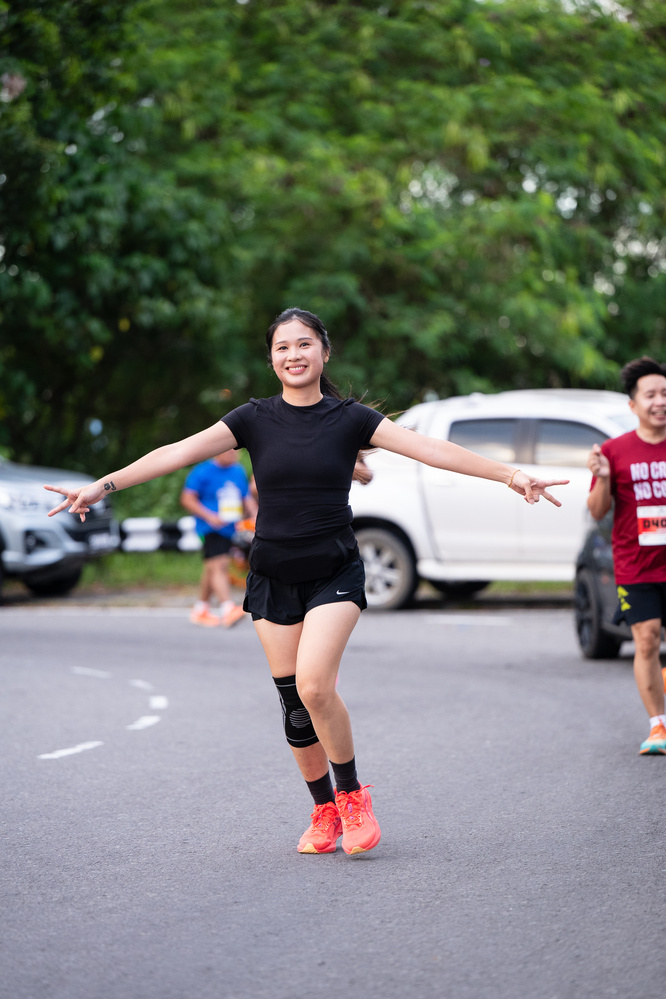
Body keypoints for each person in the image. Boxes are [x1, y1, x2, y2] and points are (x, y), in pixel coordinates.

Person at [44, 307, 568, 856]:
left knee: (315, 686)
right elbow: (178, 452)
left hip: (333, 571)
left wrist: (510, 474)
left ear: (324, 352)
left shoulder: (351, 418)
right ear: (272, 359)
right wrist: (103, 484)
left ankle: (353, 797)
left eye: (304, 344)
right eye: (282, 347)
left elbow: (433, 449)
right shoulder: (251, 419)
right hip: (272, 574)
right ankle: (323, 810)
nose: (293, 355)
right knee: (294, 705)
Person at [587, 355, 666, 755]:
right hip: (636, 565)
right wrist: (602, 478)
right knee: (646, 640)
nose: (660, 401)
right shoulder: (615, 451)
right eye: (651, 395)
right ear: (634, 404)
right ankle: (658, 726)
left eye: (665, 393)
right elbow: (597, 510)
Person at [180, 449, 257, 628]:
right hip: (210, 527)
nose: (234, 454)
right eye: (229, 451)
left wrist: (255, 514)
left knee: (212, 567)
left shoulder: (237, 471)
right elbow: (187, 499)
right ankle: (227, 607)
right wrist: (209, 517)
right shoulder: (202, 471)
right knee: (220, 565)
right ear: (218, 452)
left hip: (230, 527)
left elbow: (246, 497)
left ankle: (201, 609)